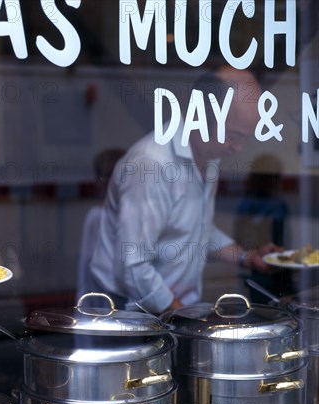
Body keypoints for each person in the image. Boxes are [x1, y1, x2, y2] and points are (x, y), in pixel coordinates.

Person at [90, 66, 280, 314]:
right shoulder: (152, 164)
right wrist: (183, 319)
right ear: (202, 116)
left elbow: (196, 229)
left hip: (173, 309)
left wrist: (247, 257)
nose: (238, 148)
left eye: (245, 138)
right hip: (127, 313)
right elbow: (132, 266)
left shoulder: (210, 155)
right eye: (233, 136)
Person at [234, 154, 294, 303]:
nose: (273, 182)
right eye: (269, 178)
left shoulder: (279, 204)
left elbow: (285, 239)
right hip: (259, 273)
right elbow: (240, 241)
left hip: (280, 270)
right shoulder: (248, 205)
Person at [77, 148, 125, 297]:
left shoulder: (132, 216)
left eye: (113, 175)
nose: (107, 182)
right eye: (104, 176)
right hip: (103, 300)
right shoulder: (97, 217)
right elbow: (87, 270)